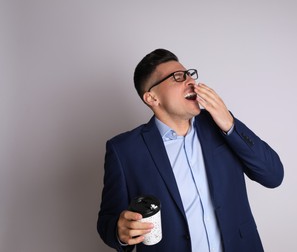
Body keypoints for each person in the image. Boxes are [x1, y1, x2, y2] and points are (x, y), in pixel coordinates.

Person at [97, 48, 284, 252]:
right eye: (177, 77)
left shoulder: (219, 124)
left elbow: (273, 176)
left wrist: (229, 123)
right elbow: (108, 222)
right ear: (152, 98)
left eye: (189, 74)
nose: (190, 81)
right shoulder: (124, 150)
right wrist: (119, 231)